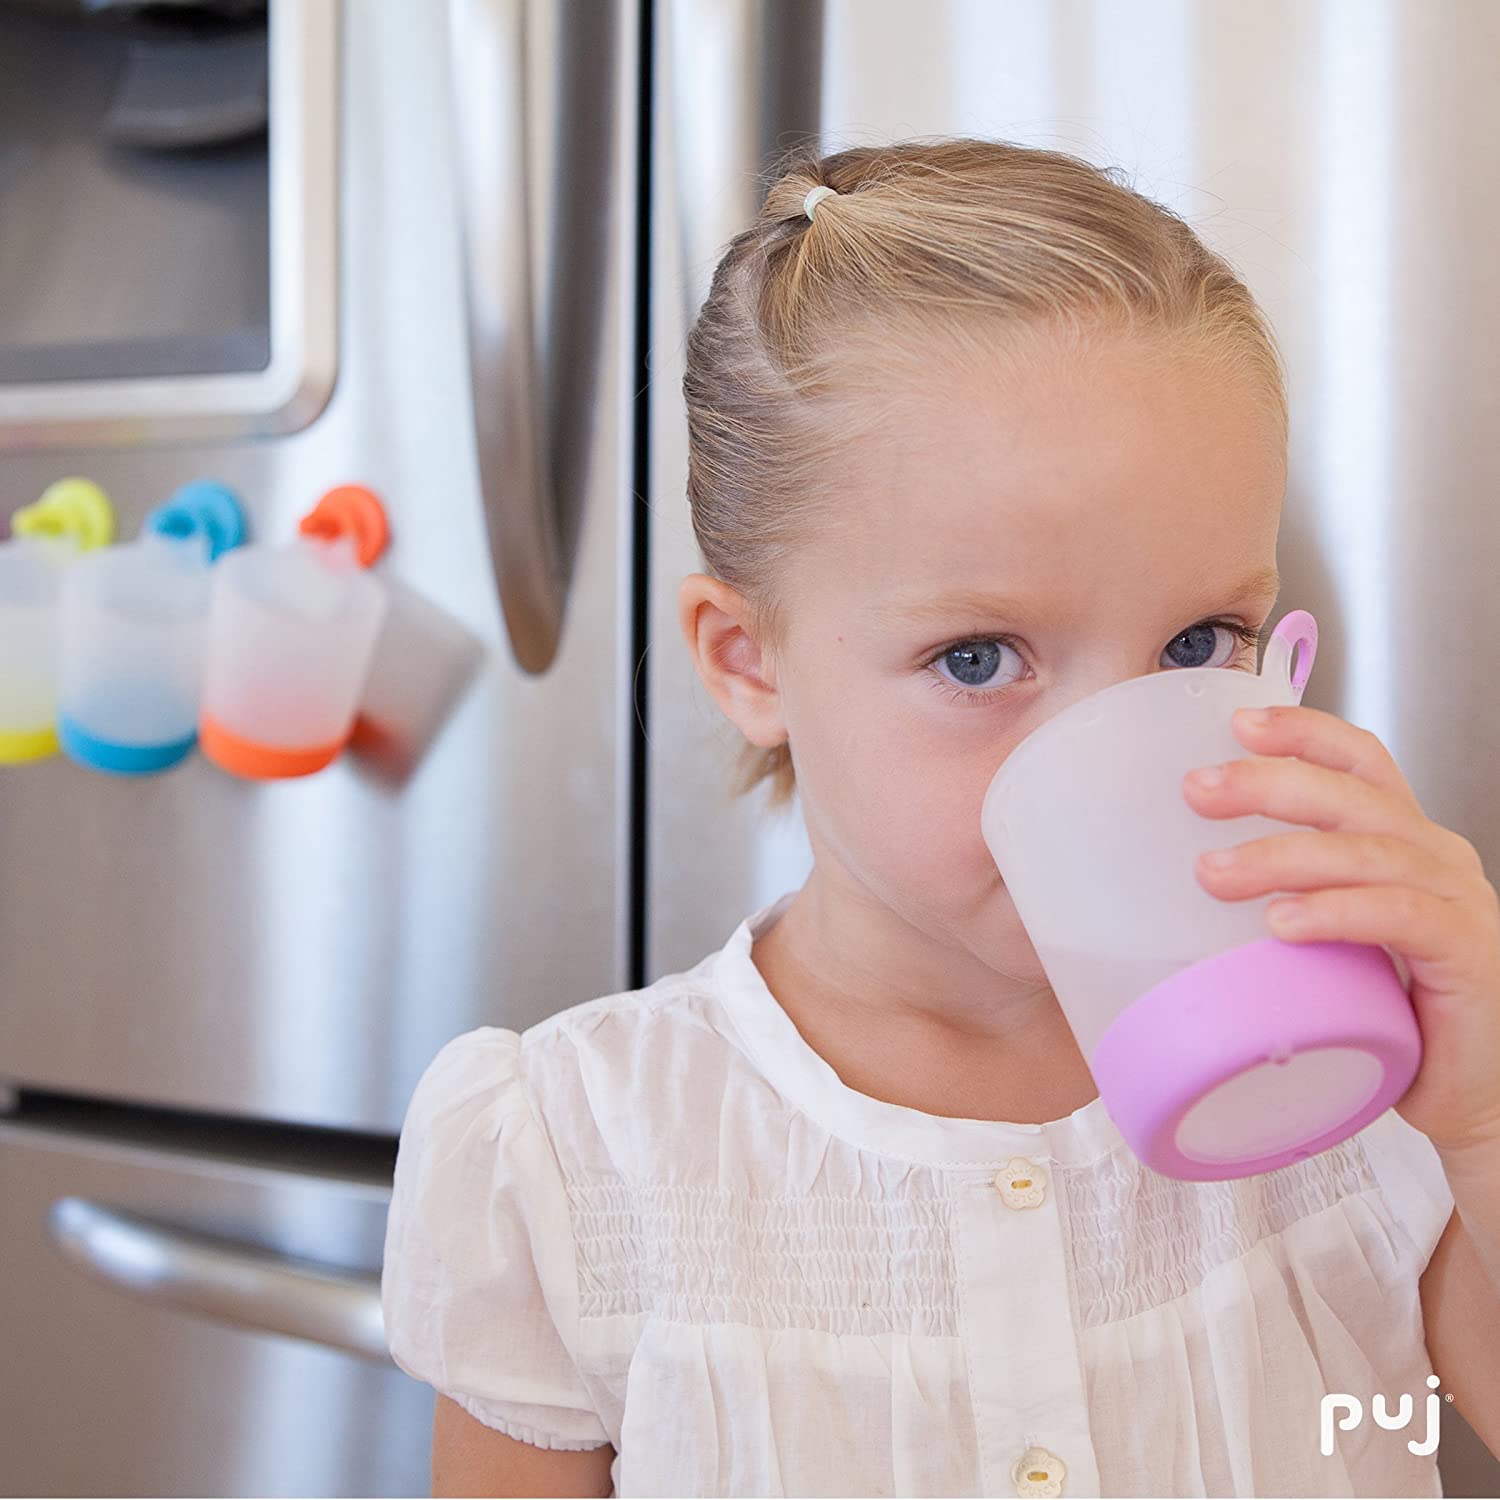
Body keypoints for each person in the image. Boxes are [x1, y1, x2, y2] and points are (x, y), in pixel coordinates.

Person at [381, 136, 1500, 1497]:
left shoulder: (1356, 1098)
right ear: (750, 664)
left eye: (1201, 641)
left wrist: (1487, 1124)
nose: (1111, 761)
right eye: (979, 658)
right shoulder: (574, 1158)